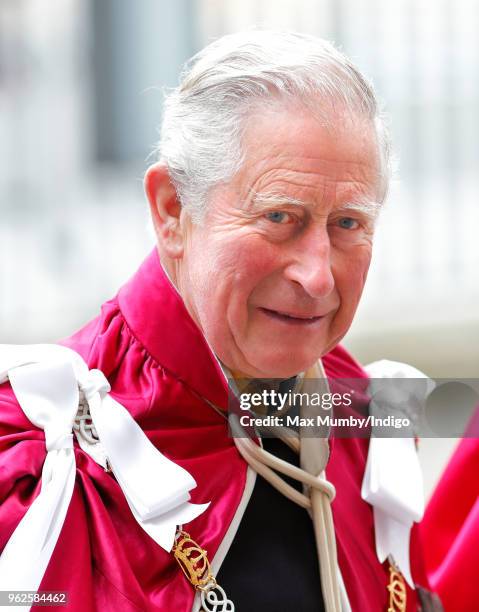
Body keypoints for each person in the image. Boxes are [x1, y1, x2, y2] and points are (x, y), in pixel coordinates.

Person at [0, 30, 441, 611]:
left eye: (348, 224)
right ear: (173, 211)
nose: (318, 277)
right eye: (280, 215)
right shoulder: (40, 461)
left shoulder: (368, 423)